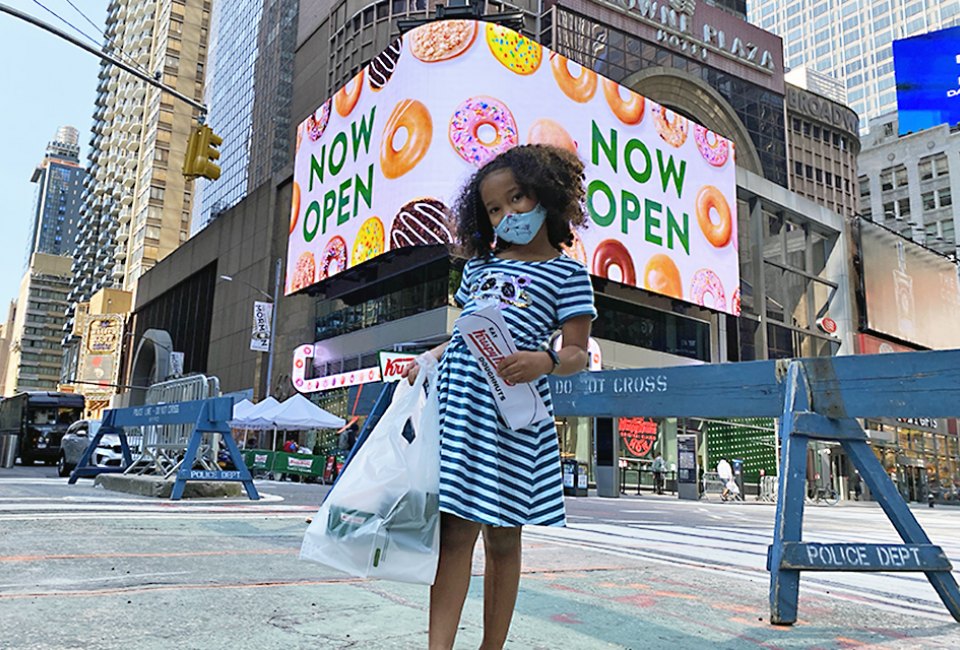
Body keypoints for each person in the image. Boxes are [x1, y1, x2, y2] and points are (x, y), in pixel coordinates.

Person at [403, 145, 595, 650]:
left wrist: (546, 361)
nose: (507, 214)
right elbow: (464, 336)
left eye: (517, 199)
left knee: (505, 539)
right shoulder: (477, 270)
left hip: (514, 421)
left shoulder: (569, 274)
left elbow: (579, 352)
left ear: (547, 198)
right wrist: (429, 358)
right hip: (462, 414)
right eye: (493, 208)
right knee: (455, 536)